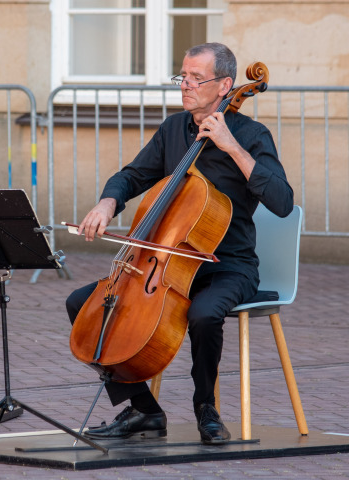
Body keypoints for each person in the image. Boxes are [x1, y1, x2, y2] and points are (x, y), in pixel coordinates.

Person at [65, 43, 294, 445]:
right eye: (182, 77)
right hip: (164, 265)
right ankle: (143, 409)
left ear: (225, 86)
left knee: (204, 315)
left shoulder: (252, 135)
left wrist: (231, 146)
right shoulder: (175, 129)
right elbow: (133, 175)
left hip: (228, 265)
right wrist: (107, 202)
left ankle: (205, 407)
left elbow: (282, 201)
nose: (184, 85)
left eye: (195, 78)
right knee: (83, 304)